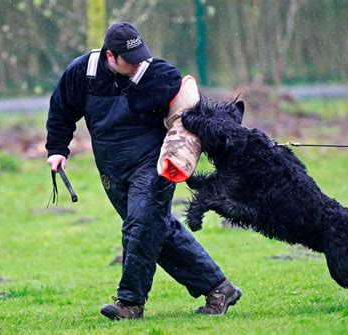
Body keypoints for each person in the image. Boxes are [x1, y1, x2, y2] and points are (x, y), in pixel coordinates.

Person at [46, 21, 242, 320]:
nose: (139, 63)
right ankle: (219, 288)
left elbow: (186, 104)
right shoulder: (82, 72)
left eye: (141, 56)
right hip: (111, 169)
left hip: (153, 165)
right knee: (153, 229)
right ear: (110, 56)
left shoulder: (159, 74)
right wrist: (57, 149)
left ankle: (130, 303)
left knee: (141, 225)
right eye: (130, 59)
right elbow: (61, 110)